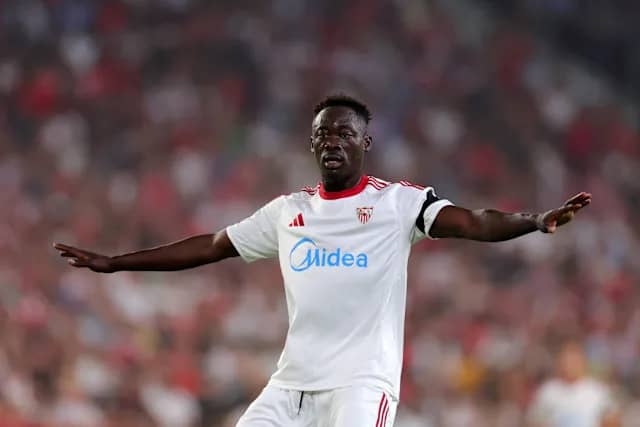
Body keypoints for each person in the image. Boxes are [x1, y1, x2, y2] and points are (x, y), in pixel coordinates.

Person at [54, 94, 591, 426]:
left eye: (344, 133)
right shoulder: (289, 211)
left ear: (366, 142)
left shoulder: (397, 203)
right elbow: (212, 245)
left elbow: (473, 221)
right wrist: (117, 263)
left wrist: (535, 220)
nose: (332, 141)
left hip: (360, 384)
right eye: (322, 134)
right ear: (312, 145)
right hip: (291, 385)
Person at [527, 341, 620, 427]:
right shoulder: (548, 391)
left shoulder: (597, 391)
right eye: (566, 360)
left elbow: (612, 420)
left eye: (573, 359)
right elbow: (535, 421)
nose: (569, 364)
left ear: (583, 361)